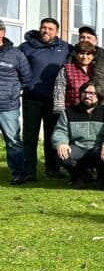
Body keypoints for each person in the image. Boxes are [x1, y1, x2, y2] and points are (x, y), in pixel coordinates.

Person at [19, 17, 73, 180]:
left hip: (55, 100)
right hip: (31, 98)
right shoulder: (26, 47)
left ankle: (53, 169)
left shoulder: (65, 48)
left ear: (56, 32)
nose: (46, 31)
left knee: (53, 135)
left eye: (50, 28)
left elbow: (84, 56)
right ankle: (29, 171)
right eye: (43, 27)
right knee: (30, 136)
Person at [52, 82, 104, 189]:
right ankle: (82, 176)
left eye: (92, 93)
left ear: (99, 96)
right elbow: (60, 131)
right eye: (84, 92)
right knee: (62, 154)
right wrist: (61, 143)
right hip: (78, 147)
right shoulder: (69, 112)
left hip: (99, 148)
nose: (87, 96)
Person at [0, 19, 31, 185]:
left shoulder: (16, 54)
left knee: (12, 141)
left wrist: (12, 93)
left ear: (2, 33)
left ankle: (19, 173)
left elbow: (26, 78)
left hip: (8, 107)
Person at [53, 40, 97, 113]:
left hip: (93, 111)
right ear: (76, 55)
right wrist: (59, 112)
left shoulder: (97, 69)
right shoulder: (66, 69)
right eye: (82, 53)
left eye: (88, 54)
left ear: (93, 56)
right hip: (71, 111)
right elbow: (59, 91)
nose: (85, 57)